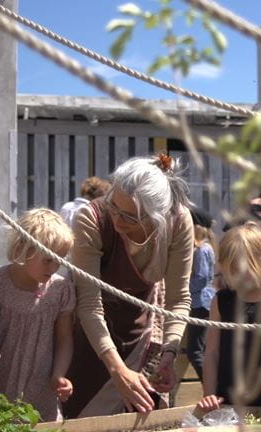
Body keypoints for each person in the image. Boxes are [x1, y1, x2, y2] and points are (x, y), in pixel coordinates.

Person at [65, 154, 194, 417]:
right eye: (114, 206)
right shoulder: (91, 219)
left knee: (140, 415)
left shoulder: (178, 222)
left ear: (156, 218)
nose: (117, 220)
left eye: (129, 217)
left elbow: (178, 300)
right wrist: (117, 370)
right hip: (88, 336)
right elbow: (89, 304)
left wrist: (169, 353)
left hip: (138, 337)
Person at [0, 208, 75, 421]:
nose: (54, 266)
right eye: (47, 259)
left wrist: (59, 374)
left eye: (59, 259)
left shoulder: (59, 290)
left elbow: (64, 338)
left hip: (39, 387)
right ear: (23, 248)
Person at [197, 222, 261, 420]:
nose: (235, 278)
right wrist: (209, 394)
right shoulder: (222, 301)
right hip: (228, 401)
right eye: (230, 272)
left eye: (241, 270)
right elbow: (212, 353)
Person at [186, 207, 216, 380]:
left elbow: (202, 278)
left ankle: (210, 387)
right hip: (200, 302)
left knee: (195, 352)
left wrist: (185, 288)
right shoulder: (204, 248)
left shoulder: (203, 250)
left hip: (200, 303)